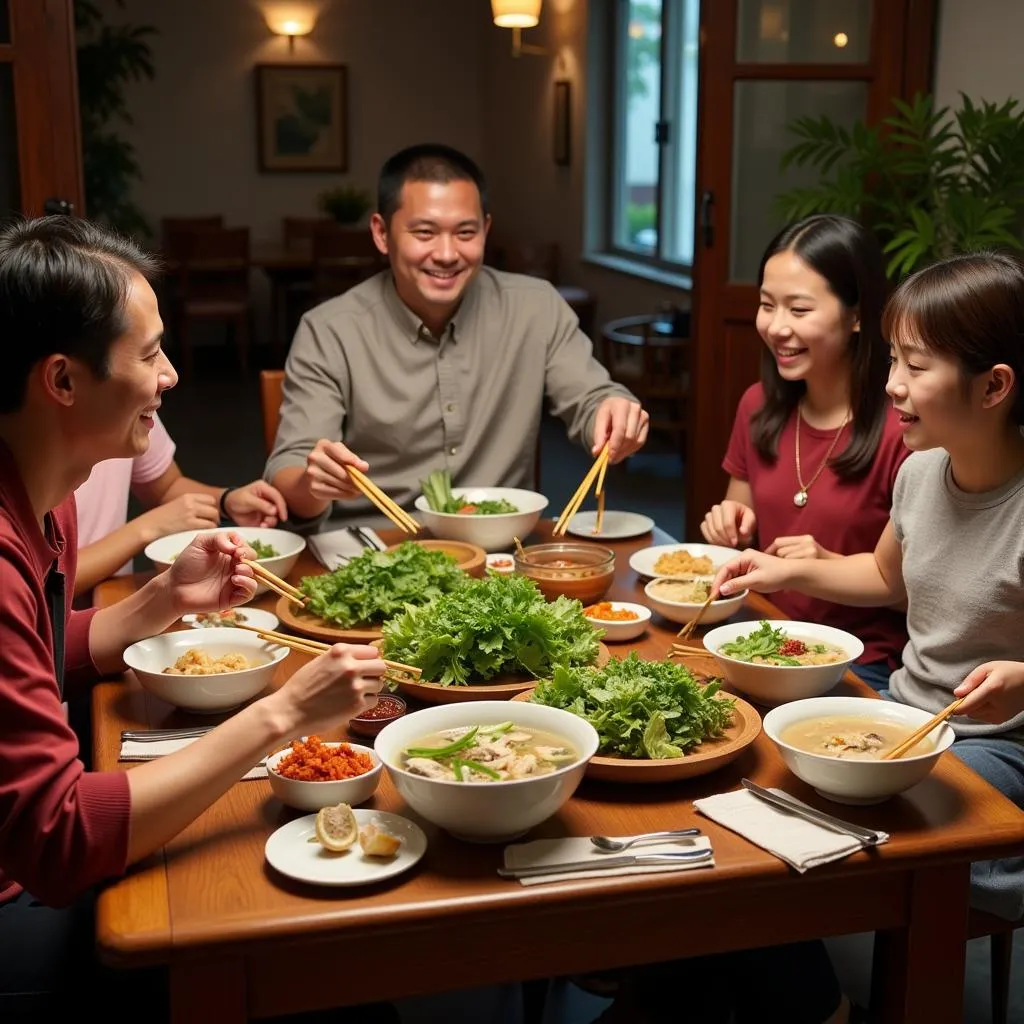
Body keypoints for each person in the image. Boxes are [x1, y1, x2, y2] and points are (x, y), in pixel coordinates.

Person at [0, 216, 389, 1019]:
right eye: (149, 356)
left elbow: (37, 654)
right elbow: (61, 838)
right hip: (16, 901)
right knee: (301, 960)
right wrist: (283, 714)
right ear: (63, 382)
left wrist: (159, 602)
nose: (173, 376)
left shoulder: (48, 500)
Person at [715, 250, 1024, 922]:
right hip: (906, 710)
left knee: (837, 834)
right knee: (747, 777)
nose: (891, 385)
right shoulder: (922, 472)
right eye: (892, 360)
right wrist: (788, 568)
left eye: (916, 366)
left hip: (1002, 746)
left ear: (994, 386)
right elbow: (886, 574)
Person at [266, 143, 650, 530]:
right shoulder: (330, 329)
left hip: (500, 551)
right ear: (382, 234)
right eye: (424, 232)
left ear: (485, 229)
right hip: (375, 550)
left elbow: (592, 399)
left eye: (465, 232)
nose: (447, 253)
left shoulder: (537, 307)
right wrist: (314, 484)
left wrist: (613, 413)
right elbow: (290, 467)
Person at [700, 215, 910, 691]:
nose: (776, 327)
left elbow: (924, 599)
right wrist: (729, 524)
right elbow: (738, 541)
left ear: (857, 315)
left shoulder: (906, 432)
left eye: (799, 309)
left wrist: (824, 563)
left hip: (857, 664)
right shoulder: (757, 406)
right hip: (757, 638)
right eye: (766, 305)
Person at [73, 414, 288, 596]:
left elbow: (166, 486)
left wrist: (226, 500)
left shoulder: (135, 407)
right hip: (54, 625)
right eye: (146, 361)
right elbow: (46, 579)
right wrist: (148, 527)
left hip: (109, 601)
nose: (170, 375)